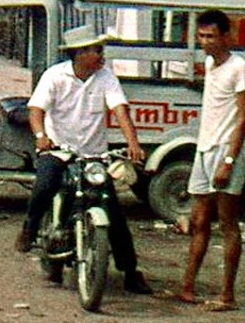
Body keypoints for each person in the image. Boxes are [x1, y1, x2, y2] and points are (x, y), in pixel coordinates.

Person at [15, 25, 153, 296]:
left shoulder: (106, 78)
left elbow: (121, 111)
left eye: (101, 50)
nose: (101, 55)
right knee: (44, 186)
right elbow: (36, 110)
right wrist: (42, 136)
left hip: (93, 156)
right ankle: (30, 229)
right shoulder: (54, 76)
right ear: (78, 53)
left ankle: (130, 272)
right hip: (59, 151)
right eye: (96, 50)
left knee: (112, 211)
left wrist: (133, 143)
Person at [172, 9, 245, 311]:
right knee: (199, 220)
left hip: (225, 150)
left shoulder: (240, 68)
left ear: (225, 36)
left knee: (228, 224)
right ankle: (187, 287)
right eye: (201, 36)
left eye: (211, 36)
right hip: (204, 148)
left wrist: (229, 160)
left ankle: (227, 295)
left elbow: (243, 118)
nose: (205, 42)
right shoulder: (209, 64)